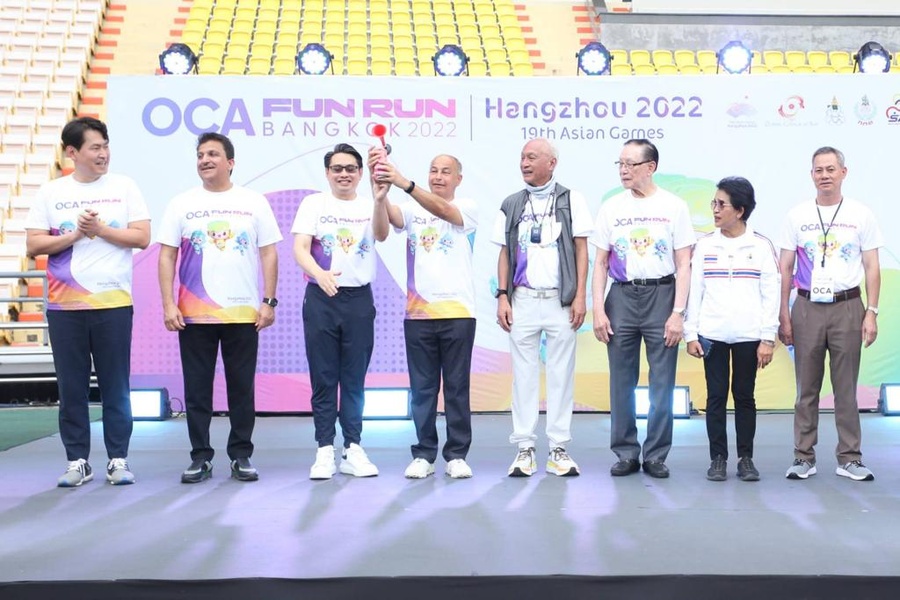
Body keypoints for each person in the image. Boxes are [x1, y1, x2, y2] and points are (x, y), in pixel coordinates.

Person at [25, 116, 150, 487]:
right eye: (95, 147)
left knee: (116, 386)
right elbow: (33, 244)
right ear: (72, 152)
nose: (103, 154)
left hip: (113, 304)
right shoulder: (51, 192)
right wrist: (75, 235)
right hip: (65, 307)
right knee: (71, 388)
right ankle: (77, 460)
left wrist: (100, 230)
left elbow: (142, 237)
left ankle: (118, 458)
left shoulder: (124, 187)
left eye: (105, 146)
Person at [158, 132, 281, 484]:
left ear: (230, 162)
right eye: (200, 155)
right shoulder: (181, 203)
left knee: (241, 389)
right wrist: (168, 303)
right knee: (197, 390)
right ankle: (200, 457)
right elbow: (166, 256)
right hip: (194, 314)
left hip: (243, 314)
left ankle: (241, 454)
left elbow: (269, 253)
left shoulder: (253, 202)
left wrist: (268, 301)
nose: (205, 160)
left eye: (213, 154)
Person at [368, 149, 478, 479]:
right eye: (434, 170)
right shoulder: (411, 211)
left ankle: (456, 455)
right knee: (422, 389)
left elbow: (444, 210)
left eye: (445, 171)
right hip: (418, 314)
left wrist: (405, 183)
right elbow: (384, 227)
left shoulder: (467, 207)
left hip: (458, 312)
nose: (438, 176)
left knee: (456, 387)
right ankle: (424, 454)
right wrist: (380, 194)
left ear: (458, 179)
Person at [778, 146, 882, 482]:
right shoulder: (797, 215)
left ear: (843, 173)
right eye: (818, 170)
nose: (824, 175)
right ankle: (803, 457)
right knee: (806, 389)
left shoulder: (861, 214)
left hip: (848, 306)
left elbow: (872, 266)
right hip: (806, 307)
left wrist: (871, 312)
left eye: (830, 169)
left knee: (845, 388)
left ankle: (849, 458)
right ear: (811, 175)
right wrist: (783, 314)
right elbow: (785, 267)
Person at [591, 139, 694, 479]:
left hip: (661, 295)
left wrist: (678, 312)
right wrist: (598, 309)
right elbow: (600, 263)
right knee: (621, 378)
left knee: (662, 380)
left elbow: (684, 263)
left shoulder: (674, 206)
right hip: (621, 296)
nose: (623, 170)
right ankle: (625, 452)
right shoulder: (611, 207)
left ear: (650, 167)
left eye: (630, 164)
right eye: (620, 164)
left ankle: (656, 455)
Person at [493, 138, 592, 478]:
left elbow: (582, 249)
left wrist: (580, 296)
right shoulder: (511, 203)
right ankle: (524, 448)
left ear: (552, 163)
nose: (524, 162)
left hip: (560, 301)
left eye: (532, 157)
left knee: (561, 374)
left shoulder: (571, 200)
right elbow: (504, 252)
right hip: (522, 299)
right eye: (522, 157)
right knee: (523, 377)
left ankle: (558, 449)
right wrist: (502, 296)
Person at [292, 143, 390, 480]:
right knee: (323, 377)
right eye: (337, 168)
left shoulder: (370, 203)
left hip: (359, 301)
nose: (344, 174)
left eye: (350, 169)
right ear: (327, 173)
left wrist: (380, 200)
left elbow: (382, 234)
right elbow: (300, 248)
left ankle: (352, 448)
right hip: (321, 299)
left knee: (353, 378)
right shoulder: (314, 204)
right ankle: (324, 449)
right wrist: (319, 275)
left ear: (360, 173)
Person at [683, 177, 780, 482]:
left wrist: (768, 338)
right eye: (713, 203)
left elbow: (771, 294)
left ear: (739, 210)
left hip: (749, 336)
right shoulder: (704, 245)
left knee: (744, 396)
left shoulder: (761, 246)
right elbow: (694, 291)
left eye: (721, 204)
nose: (714, 209)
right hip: (711, 334)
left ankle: (745, 458)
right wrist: (690, 333)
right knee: (715, 397)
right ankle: (718, 458)